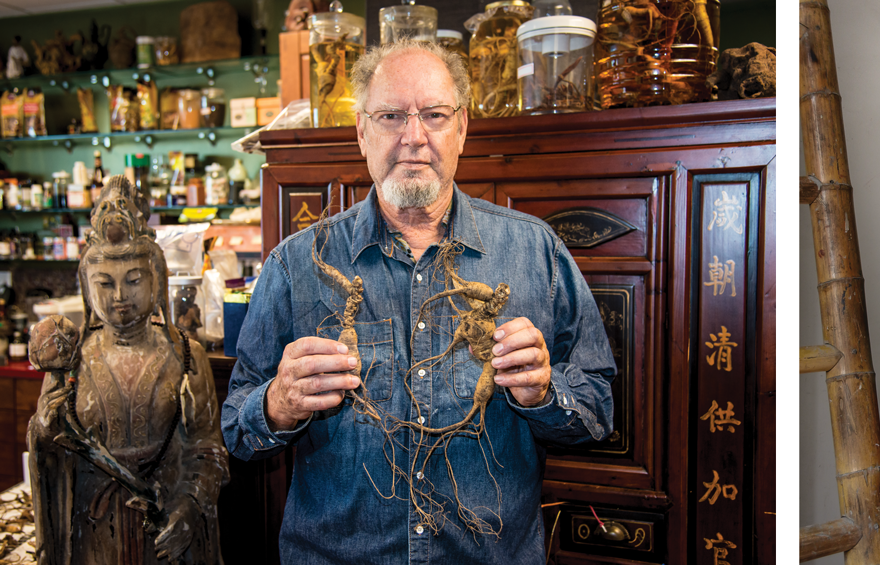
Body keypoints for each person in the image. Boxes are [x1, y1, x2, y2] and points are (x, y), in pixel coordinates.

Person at [221, 39, 615, 563]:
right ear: (362, 131)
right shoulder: (296, 265)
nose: (414, 137)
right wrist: (276, 405)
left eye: (433, 114)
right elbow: (235, 430)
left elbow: (598, 410)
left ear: (462, 128)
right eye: (390, 116)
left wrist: (545, 392)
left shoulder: (537, 251)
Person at [28, 176, 228, 564]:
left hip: (164, 519)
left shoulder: (187, 355)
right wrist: (44, 429)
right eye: (104, 283)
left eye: (134, 280)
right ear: (86, 287)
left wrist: (188, 507)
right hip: (94, 530)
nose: (119, 297)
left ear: (157, 281)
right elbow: (47, 447)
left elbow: (208, 448)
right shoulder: (73, 360)